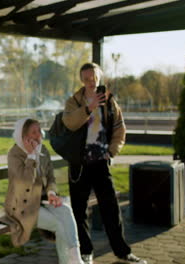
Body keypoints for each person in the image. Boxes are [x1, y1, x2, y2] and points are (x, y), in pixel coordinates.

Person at [62, 62, 146, 264]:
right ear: (82, 80)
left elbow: (119, 128)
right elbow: (70, 123)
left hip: (101, 161)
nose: (90, 82)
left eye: (94, 78)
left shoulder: (109, 102)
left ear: (99, 78)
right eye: (86, 79)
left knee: (111, 208)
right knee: (79, 210)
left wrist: (112, 151)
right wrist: (88, 108)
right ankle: (85, 252)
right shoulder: (74, 101)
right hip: (79, 164)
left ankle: (123, 252)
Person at [4, 118, 84, 264]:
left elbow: (51, 178)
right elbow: (24, 183)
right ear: (24, 136)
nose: (38, 135)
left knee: (65, 211)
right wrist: (31, 156)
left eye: (39, 130)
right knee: (59, 226)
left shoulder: (44, 150)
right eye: (33, 132)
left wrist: (51, 193)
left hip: (42, 201)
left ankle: (76, 258)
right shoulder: (14, 154)